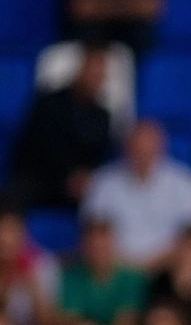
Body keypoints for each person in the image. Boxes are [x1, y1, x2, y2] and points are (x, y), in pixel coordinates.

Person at [80, 119, 191, 272]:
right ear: (126, 148)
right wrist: (129, 264)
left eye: (148, 148)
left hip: (170, 268)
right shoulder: (103, 183)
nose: (143, 154)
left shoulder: (183, 182)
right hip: (115, 270)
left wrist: (159, 262)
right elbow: (94, 235)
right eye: (138, 148)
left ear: (161, 148)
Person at [4, 41, 113, 209]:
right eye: (92, 72)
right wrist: (67, 175)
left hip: (76, 187)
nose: (96, 79)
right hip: (42, 177)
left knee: (103, 199)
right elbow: (36, 147)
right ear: (80, 70)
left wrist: (85, 176)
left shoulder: (102, 116)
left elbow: (98, 157)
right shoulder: (49, 102)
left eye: (100, 74)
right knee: (14, 194)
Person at [57, 218, 148, 325]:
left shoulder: (132, 279)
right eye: (93, 247)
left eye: (103, 246)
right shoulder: (72, 277)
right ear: (84, 247)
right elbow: (70, 322)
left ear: (113, 244)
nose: (98, 252)